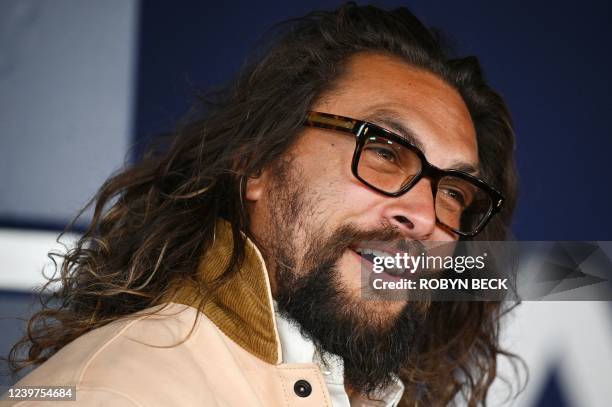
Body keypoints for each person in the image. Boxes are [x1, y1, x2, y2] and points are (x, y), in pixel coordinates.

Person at [6, 3, 518, 406]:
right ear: (257, 164)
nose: (426, 218)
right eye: (384, 151)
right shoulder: (114, 396)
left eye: (453, 192)